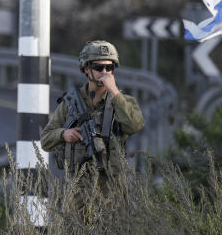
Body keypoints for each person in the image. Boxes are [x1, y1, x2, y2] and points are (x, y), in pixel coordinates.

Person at [40, 40, 145, 180]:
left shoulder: (123, 102)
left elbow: (135, 126)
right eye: (98, 67)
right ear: (86, 69)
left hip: (113, 189)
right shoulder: (70, 103)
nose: (104, 72)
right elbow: (45, 140)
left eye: (109, 67)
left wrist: (114, 91)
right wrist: (63, 134)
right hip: (78, 189)